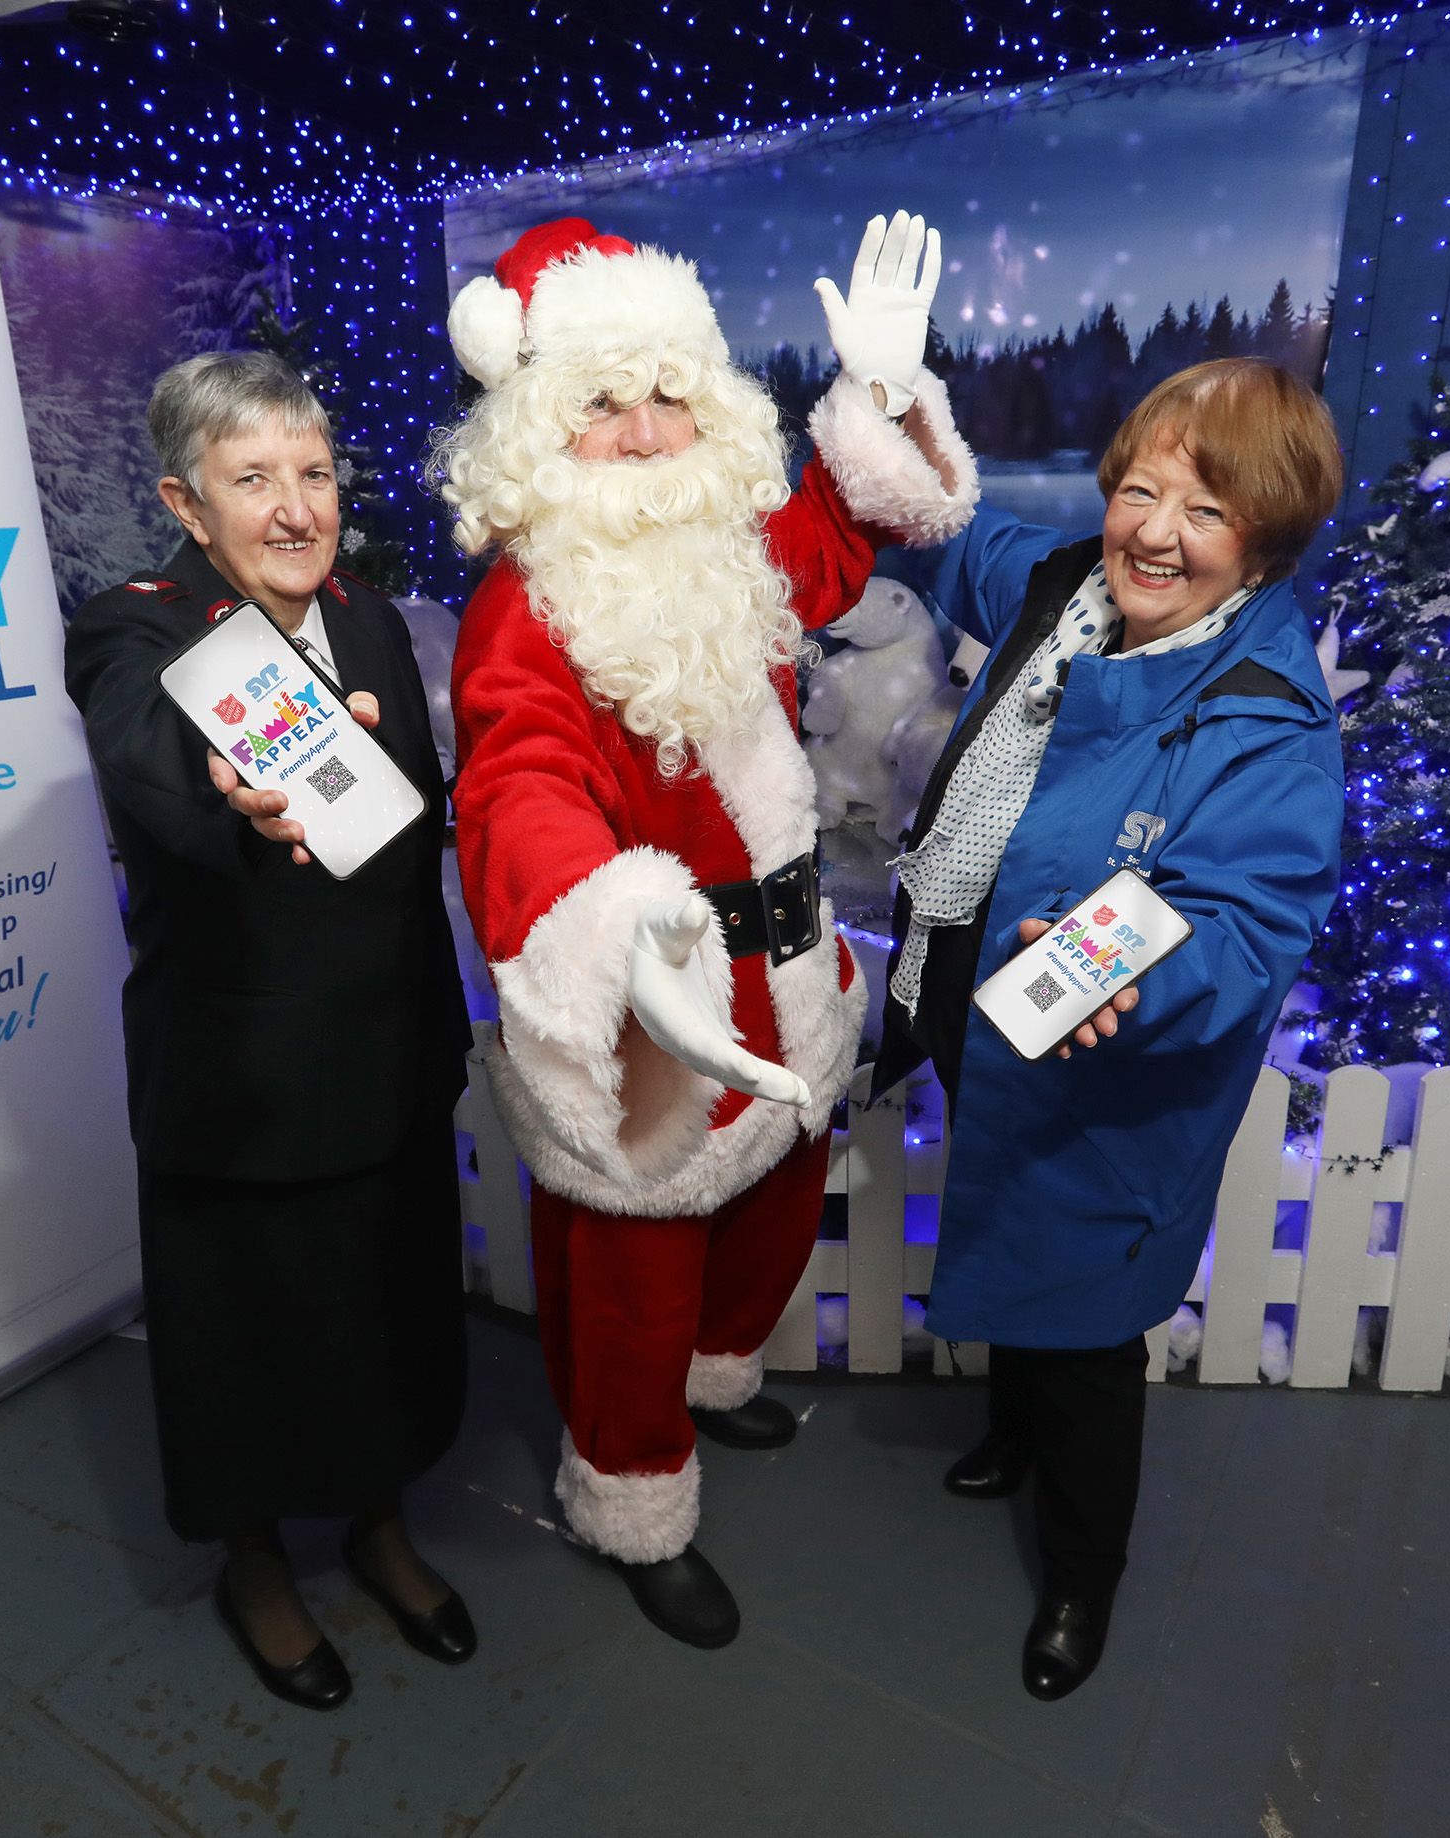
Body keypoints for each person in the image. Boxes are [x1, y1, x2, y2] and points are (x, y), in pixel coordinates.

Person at [435, 213, 978, 1646]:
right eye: (601, 404)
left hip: (786, 968)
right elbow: (517, 780)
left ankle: (713, 1381)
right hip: (656, 989)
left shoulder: (722, 552)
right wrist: (606, 933)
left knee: (764, 1212)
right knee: (631, 1274)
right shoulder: (527, 607)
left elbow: (831, 539)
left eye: (669, 391)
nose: (645, 429)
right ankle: (630, 1485)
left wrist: (875, 401)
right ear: (538, 432)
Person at [874, 357, 1346, 1701]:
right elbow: (957, 529)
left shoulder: (1267, 713)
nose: (1153, 532)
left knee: (1087, 1331)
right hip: (984, 990)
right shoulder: (1062, 585)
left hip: (1116, 1057)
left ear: (1265, 534)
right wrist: (918, 434)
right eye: (1142, 489)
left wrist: (1151, 987)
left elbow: (1249, 924)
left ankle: (1083, 1575)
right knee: (1005, 1202)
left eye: (1204, 512)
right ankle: (1009, 1431)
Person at [63, 350, 474, 1711]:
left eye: (313, 472)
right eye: (255, 481)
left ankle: (376, 1523)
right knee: (239, 1329)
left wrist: (448, 1028)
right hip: (239, 1067)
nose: (298, 508)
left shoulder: (365, 618)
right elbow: (148, 760)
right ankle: (252, 1559)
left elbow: (412, 841)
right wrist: (226, 789)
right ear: (189, 505)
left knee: (379, 1300)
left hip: (385, 1043)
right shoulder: (135, 626)